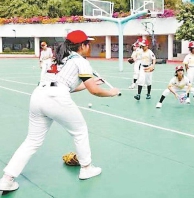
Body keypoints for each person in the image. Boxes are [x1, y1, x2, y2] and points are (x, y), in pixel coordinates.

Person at [0, 30, 121, 192]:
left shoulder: (55, 59)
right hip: (56, 97)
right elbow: (94, 91)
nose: (89, 47)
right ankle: (86, 168)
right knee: (80, 131)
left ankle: (7, 179)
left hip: (38, 96)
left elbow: (64, 86)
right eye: (88, 44)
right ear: (82, 46)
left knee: (32, 141)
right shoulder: (80, 61)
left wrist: (88, 84)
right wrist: (110, 93)